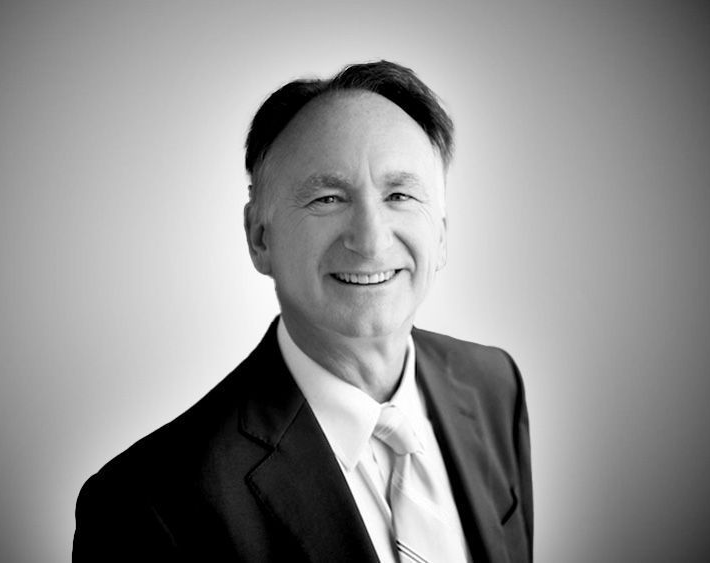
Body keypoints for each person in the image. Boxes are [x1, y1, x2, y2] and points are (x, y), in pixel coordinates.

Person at [73, 60, 533, 562]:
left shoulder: (494, 387)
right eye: (328, 198)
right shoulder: (148, 506)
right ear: (259, 237)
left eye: (400, 194)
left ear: (441, 234)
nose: (371, 240)